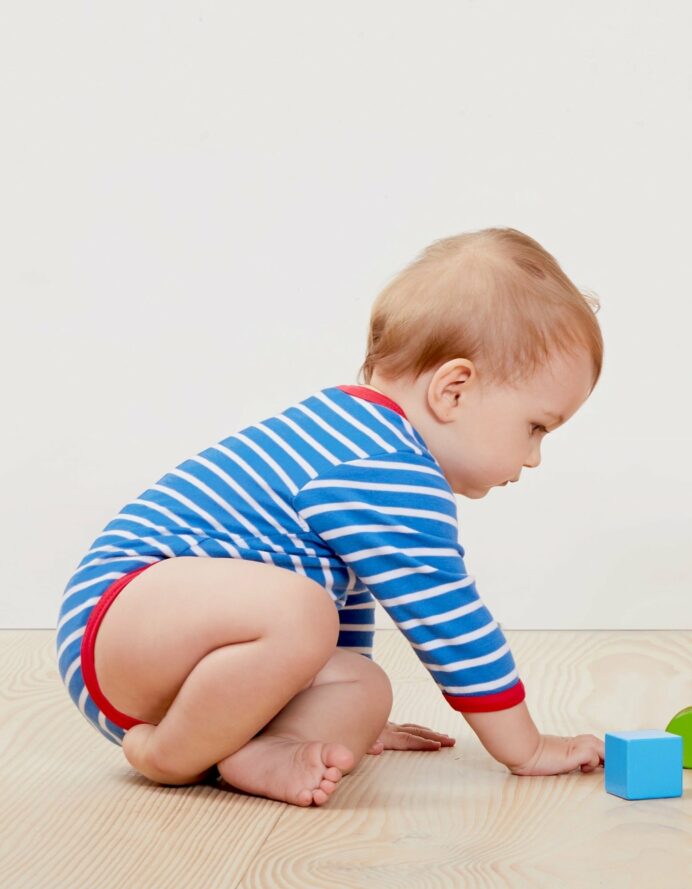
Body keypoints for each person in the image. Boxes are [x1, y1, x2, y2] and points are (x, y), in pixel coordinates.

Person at [55, 226, 606, 808]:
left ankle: (255, 748)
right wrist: (525, 747)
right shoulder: (384, 463)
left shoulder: (365, 443)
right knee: (301, 612)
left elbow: (348, 587)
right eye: (537, 427)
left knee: (365, 685)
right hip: (118, 622)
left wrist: (343, 720)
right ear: (454, 390)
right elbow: (450, 621)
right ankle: (170, 757)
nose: (534, 456)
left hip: (181, 664)